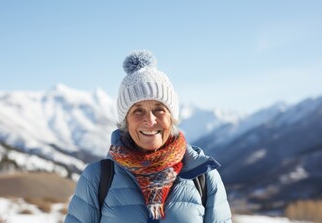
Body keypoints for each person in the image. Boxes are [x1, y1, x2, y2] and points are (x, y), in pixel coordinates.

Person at [65, 50, 232, 223]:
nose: (150, 120)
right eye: (138, 110)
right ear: (126, 122)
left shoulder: (203, 176)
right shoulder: (98, 178)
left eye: (159, 109)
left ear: (172, 117)